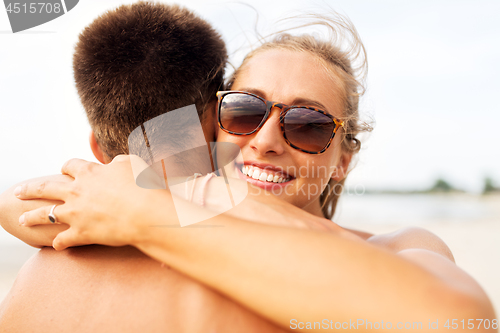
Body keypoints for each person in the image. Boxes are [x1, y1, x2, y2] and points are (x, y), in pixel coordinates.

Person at [6, 10, 498, 333]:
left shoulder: (393, 250)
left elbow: (460, 320)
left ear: (343, 159)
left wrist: (144, 209)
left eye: (308, 125)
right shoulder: (95, 219)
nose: (265, 140)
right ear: (209, 126)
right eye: (244, 112)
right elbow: (18, 202)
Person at [0, 2, 287, 332]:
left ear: (97, 146)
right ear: (213, 122)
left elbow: (13, 204)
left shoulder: (33, 278)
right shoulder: (262, 276)